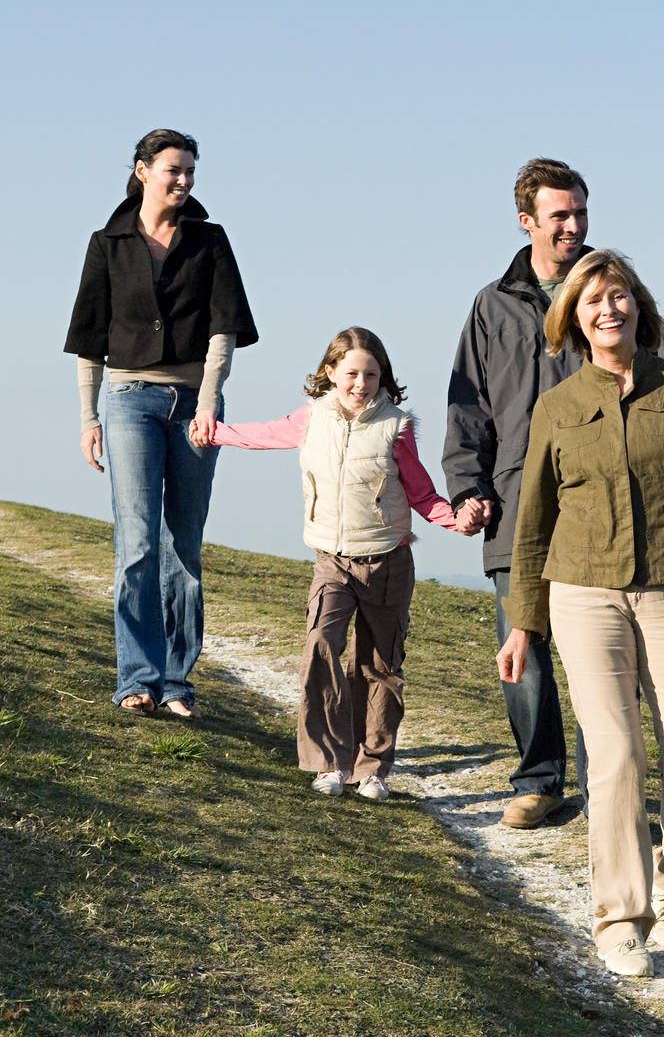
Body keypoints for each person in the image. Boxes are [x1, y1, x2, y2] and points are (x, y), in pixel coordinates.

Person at [497, 251, 664, 978]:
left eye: (618, 295)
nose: (607, 309)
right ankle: (619, 918)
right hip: (583, 594)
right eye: (591, 300)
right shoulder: (558, 406)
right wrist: (523, 625)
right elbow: (533, 522)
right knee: (618, 755)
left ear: (639, 305)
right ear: (573, 319)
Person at [191, 327, 473, 799]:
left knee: (379, 665)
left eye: (371, 374)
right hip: (333, 560)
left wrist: (456, 520)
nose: (361, 383)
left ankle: (373, 769)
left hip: (388, 561)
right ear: (330, 373)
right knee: (321, 645)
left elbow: (421, 491)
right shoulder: (311, 418)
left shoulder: (396, 426)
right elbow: (262, 435)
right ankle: (327, 763)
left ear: (383, 377)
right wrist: (215, 432)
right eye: (351, 373)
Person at [65, 128, 258, 717]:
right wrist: (88, 418)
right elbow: (89, 341)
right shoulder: (107, 243)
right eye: (173, 169)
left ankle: (177, 682)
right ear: (143, 170)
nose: (184, 180)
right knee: (136, 540)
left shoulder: (210, 240)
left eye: (190, 171)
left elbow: (224, 329)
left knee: (185, 546)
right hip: (126, 401)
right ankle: (136, 679)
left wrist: (206, 402)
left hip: (194, 405)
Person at [443, 158, 590, 828]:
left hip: (596, 505)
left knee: (598, 653)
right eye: (558, 214)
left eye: (579, 212)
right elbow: (467, 410)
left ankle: (606, 786)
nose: (572, 225)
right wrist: (468, 489)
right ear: (526, 220)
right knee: (522, 654)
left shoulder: (606, 292)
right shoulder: (491, 306)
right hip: (514, 505)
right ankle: (540, 780)